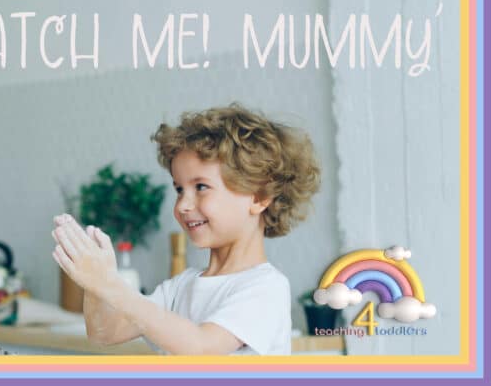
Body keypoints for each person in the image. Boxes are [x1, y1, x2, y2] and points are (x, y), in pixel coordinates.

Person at [51, 104, 320, 355]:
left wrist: (111, 285)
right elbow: (105, 333)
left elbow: (201, 348)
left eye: (201, 187)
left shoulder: (265, 287)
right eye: (179, 189)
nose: (183, 205)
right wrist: (96, 283)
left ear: (259, 196)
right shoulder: (181, 286)